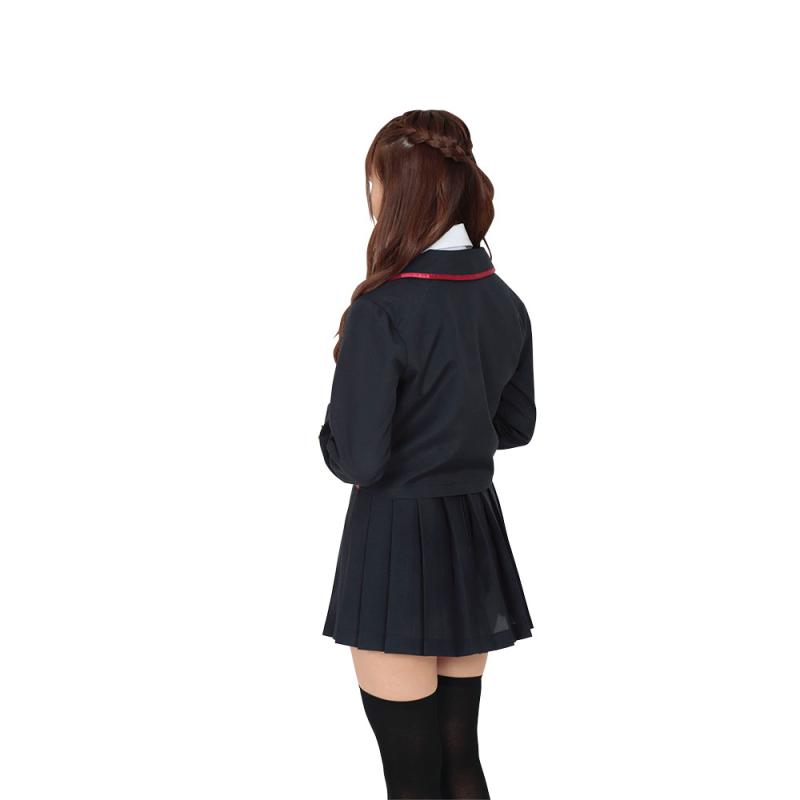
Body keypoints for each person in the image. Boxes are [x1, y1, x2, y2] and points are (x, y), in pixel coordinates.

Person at [319, 109, 537, 799]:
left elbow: (358, 458)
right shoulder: (502, 300)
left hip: (395, 540)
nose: (371, 196)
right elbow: (516, 425)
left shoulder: (381, 310)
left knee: (411, 775)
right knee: (458, 754)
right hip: (471, 533)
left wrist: (333, 434)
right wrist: (453, 432)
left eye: (375, 181)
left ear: (400, 189)